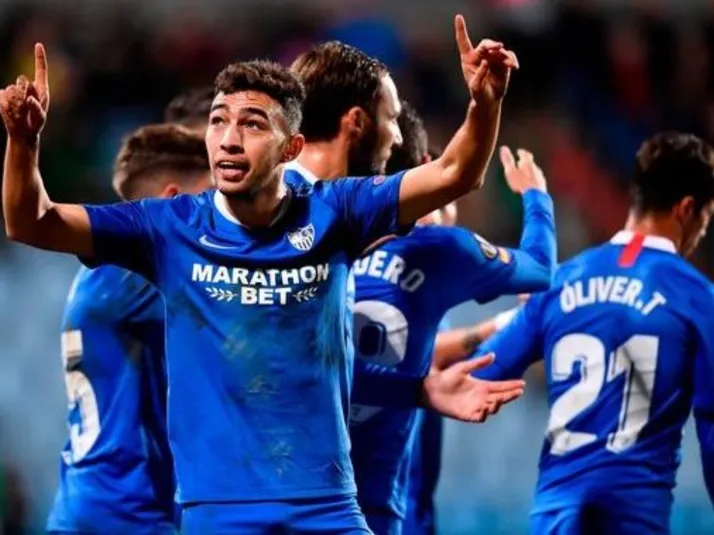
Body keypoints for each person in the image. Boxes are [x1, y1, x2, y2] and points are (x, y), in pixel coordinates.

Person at [2, 16, 524, 533]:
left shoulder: (336, 209)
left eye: (252, 124)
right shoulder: (168, 226)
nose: (230, 139)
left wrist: (485, 102)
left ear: (291, 147)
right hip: (220, 514)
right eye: (218, 121)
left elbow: (456, 172)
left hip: (327, 509)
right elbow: (31, 222)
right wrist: (23, 144)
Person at [474, 132, 714, 534]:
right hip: (633, 520)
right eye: (707, 217)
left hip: (555, 520)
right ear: (687, 208)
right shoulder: (698, 298)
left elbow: (482, 372)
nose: (703, 230)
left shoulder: (561, 281)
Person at [347, 101, 556, 534]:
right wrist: (537, 197)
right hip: (391, 509)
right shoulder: (435, 249)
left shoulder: (323, 240)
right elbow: (539, 270)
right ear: (429, 167)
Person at [47, 124, 212, 535]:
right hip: (131, 510)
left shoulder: (100, 276)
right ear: (172, 200)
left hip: (82, 505)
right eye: (210, 197)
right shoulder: (137, 278)